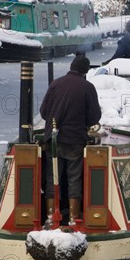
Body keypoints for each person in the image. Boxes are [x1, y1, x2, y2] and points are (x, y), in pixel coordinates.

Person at [40, 54, 101, 226]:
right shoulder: (87, 87)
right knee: (74, 177)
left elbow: (44, 112)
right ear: (86, 71)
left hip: (53, 139)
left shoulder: (55, 83)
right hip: (74, 140)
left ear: (71, 67)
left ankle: (51, 217)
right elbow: (94, 117)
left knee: (53, 177)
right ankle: (74, 217)